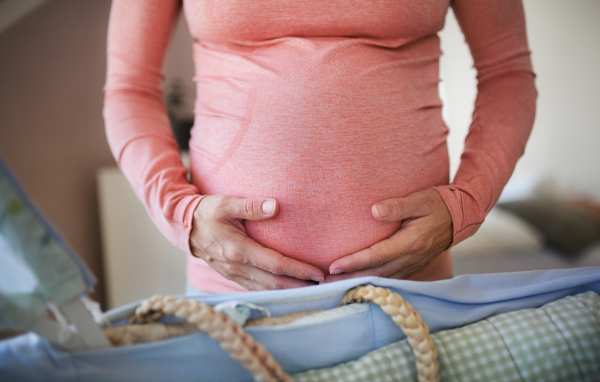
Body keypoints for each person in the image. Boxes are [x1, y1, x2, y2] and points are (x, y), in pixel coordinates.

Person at [103, 0, 537, 294]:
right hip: (237, 294)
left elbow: (507, 74)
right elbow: (130, 89)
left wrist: (466, 204)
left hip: (412, 287)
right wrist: (180, 214)